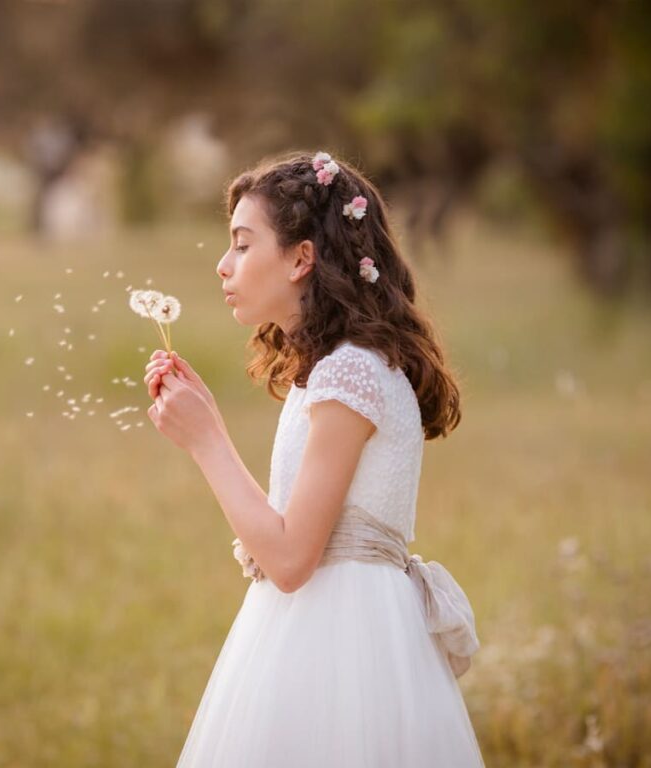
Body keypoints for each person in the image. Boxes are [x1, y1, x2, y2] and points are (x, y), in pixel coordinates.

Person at [143, 150, 486, 767]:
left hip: (341, 640)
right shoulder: (333, 371)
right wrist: (208, 419)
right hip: (334, 624)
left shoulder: (350, 370)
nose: (223, 266)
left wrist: (205, 441)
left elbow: (292, 558)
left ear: (302, 258)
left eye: (243, 246)